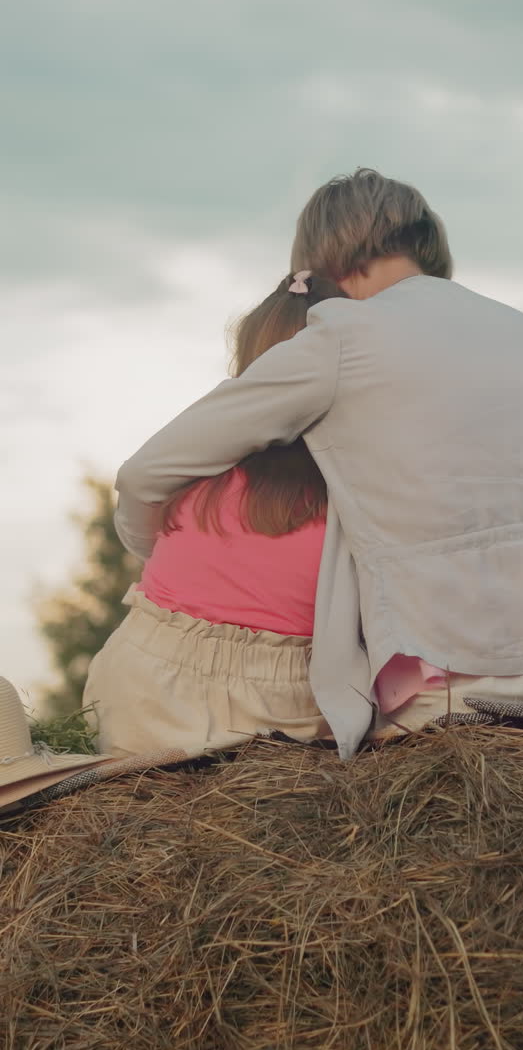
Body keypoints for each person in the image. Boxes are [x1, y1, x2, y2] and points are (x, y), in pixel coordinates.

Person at [115, 169, 523, 759]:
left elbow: (148, 473)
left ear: (322, 260)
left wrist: (161, 560)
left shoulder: (342, 334)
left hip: (472, 676)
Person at [83, 275, 346, 757]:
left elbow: (140, 495)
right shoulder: (354, 491)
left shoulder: (193, 467)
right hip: (278, 703)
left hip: (141, 679)